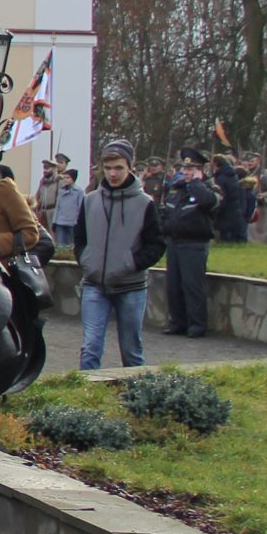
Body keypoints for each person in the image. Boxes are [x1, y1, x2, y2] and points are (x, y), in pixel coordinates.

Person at [75, 140, 164, 370]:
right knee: (90, 347)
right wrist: (86, 260)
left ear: (129, 167)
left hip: (131, 286)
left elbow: (156, 244)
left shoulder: (145, 204)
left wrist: (131, 263)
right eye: (108, 168)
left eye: (118, 168)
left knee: (131, 350)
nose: (113, 173)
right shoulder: (90, 201)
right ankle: (86, 397)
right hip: (94, 284)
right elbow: (80, 238)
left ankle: (136, 396)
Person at [160, 151, 220, 337]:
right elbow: (166, 212)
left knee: (192, 285)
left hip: (194, 242)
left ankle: (197, 324)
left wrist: (196, 183)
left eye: (191, 169)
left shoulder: (209, 188)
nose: (187, 172)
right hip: (175, 241)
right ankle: (177, 322)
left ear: (201, 170)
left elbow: (208, 202)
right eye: (185, 168)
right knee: (174, 285)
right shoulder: (176, 188)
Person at [212, 153, 249, 243]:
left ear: (217, 164)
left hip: (225, 210)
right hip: (234, 208)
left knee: (226, 236)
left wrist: (217, 209)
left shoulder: (221, 178)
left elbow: (222, 195)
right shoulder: (233, 176)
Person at [48, 166, 85, 253]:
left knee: (71, 244)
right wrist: (54, 221)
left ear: (73, 178)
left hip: (72, 222)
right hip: (60, 221)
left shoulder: (79, 191)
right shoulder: (61, 190)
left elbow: (80, 208)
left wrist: (78, 222)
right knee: (60, 244)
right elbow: (58, 206)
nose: (65, 180)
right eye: (64, 178)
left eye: (68, 178)